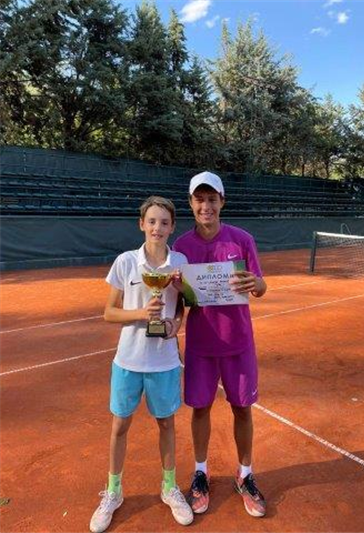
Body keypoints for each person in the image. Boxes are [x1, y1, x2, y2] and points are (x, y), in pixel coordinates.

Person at [90, 196, 193, 533]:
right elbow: (109, 312)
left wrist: (176, 322)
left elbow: (184, 304)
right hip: (128, 360)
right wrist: (141, 313)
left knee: (166, 424)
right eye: (151, 221)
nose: (157, 228)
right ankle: (114, 491)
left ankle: (169, 487)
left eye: (164, 222)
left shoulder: (180, 262)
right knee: (120, 426)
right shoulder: (125, 262)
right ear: (141, 224)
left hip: (164, 361)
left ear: (172, 227)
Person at [172, 172, 267, 518]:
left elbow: (261, 287)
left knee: (243, 408)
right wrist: (175, 305)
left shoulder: (242, 239)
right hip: (201, 345)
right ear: (191, 204)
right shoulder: (181, 247)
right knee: (200, 408)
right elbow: (178, 299)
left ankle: (245, 474)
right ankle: (201, 472)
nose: (206, 206)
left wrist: (254, 282)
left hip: (238, 343)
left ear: (222, 202)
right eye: (199, 199)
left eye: (212, 199)